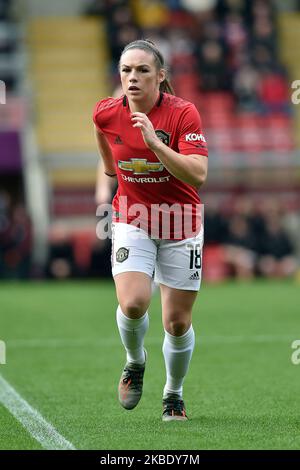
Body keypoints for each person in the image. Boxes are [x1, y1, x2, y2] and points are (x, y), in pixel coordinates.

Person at [93, 39, 208, 421]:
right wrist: (110, 172)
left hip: (180, 221)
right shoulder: (108, 113)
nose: (133, 77)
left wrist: (154, 145)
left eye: (142, 70)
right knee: (133, 302)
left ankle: (173, 394)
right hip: (132, 217)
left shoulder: (182, 114)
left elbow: (199, 174)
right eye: (126, 70)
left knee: (176, 323)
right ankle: (134, 360)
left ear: (161, 76)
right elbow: (100, 130)